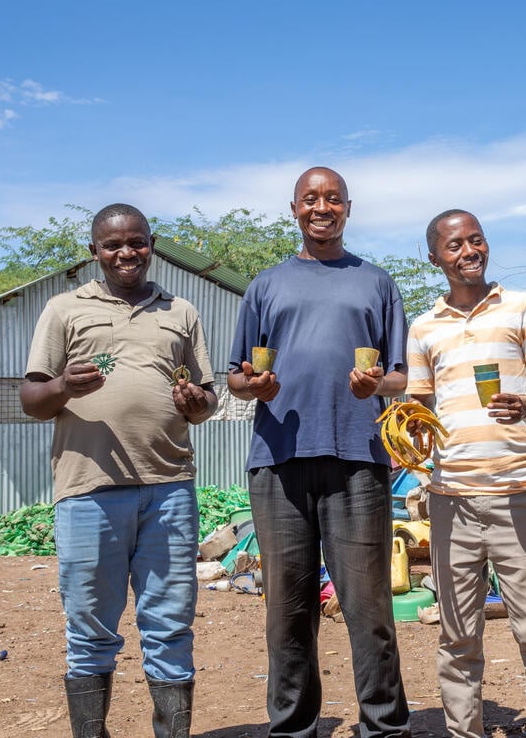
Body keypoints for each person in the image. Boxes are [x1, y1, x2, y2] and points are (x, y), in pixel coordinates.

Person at [20, 203, 218, 738]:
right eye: (113, 245)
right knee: (88, 627)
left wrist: (196, 401)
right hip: (88, 492)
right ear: (95, 252)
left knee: (171, 625)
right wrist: (64, 386)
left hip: (169, 489)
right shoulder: (64, 310)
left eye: (136, 242)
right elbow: (32, 399)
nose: (126, 253)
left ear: (151, 245)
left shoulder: (180, 311)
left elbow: (207, 400)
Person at [228, 167, 410, 738]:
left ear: (348, 208)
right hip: (278, 459)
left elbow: (400, 377)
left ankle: (382, 726)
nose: (322, 207)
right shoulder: (266, 285)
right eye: (311, 199)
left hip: (359, 455)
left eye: (333, 198)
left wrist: (373, 387)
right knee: (287, 609)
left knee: (369, 605)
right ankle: (292, 727)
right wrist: (251, 387)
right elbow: (236, 376)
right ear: (294, 209)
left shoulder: (376, 283)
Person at [405, 209, 526, 738]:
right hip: (450, 498)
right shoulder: (423, 328)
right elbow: (417, 407)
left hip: (516, 492)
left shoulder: (522, 308)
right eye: (454, 245)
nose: (468, 251)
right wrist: (408, 433)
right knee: (458, 636)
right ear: (435, 257)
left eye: (475, 240)